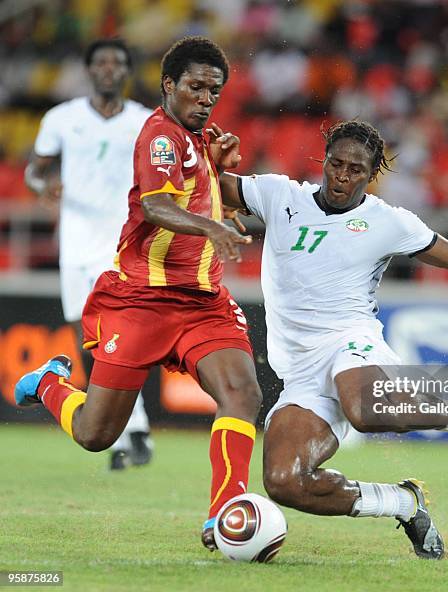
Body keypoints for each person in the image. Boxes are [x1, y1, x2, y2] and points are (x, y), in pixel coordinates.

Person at [217, 120, 448, 560]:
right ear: (323, 161)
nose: (342, 176)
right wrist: (209, 152)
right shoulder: (279, 195)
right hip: (300, 371)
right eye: (336, 164)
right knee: (285, 482)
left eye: (355, 169)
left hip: (351, 342)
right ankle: (402, 503)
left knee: (365, 409)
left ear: (372, 173)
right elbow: (203, 180)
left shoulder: (386, 221)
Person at [15, 36, 262, 551]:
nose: (205, 98)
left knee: (242, 393)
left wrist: (219, 170)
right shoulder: (160, 136)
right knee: (95, 434)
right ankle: (47, 386)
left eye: (214, 90)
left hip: (202, 302)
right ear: (169, 85)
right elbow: (154, 205)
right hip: (141, 302)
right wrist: (212, 228)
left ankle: (226, 514)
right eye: (195, 87)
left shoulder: (200, 139)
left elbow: (202, 191)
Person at [25, 38, 154, 470]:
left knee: (120, 337)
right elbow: (34, 172)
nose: (108, 69)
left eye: (117, 62)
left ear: (127, 71)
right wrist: (45, 187)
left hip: (122, 243)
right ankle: (132, 429)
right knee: (91, 342)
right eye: (100, 62)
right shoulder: (61, 119)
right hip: (76, 244)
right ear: (89, 69)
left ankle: (123, 434)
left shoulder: (143, 121)